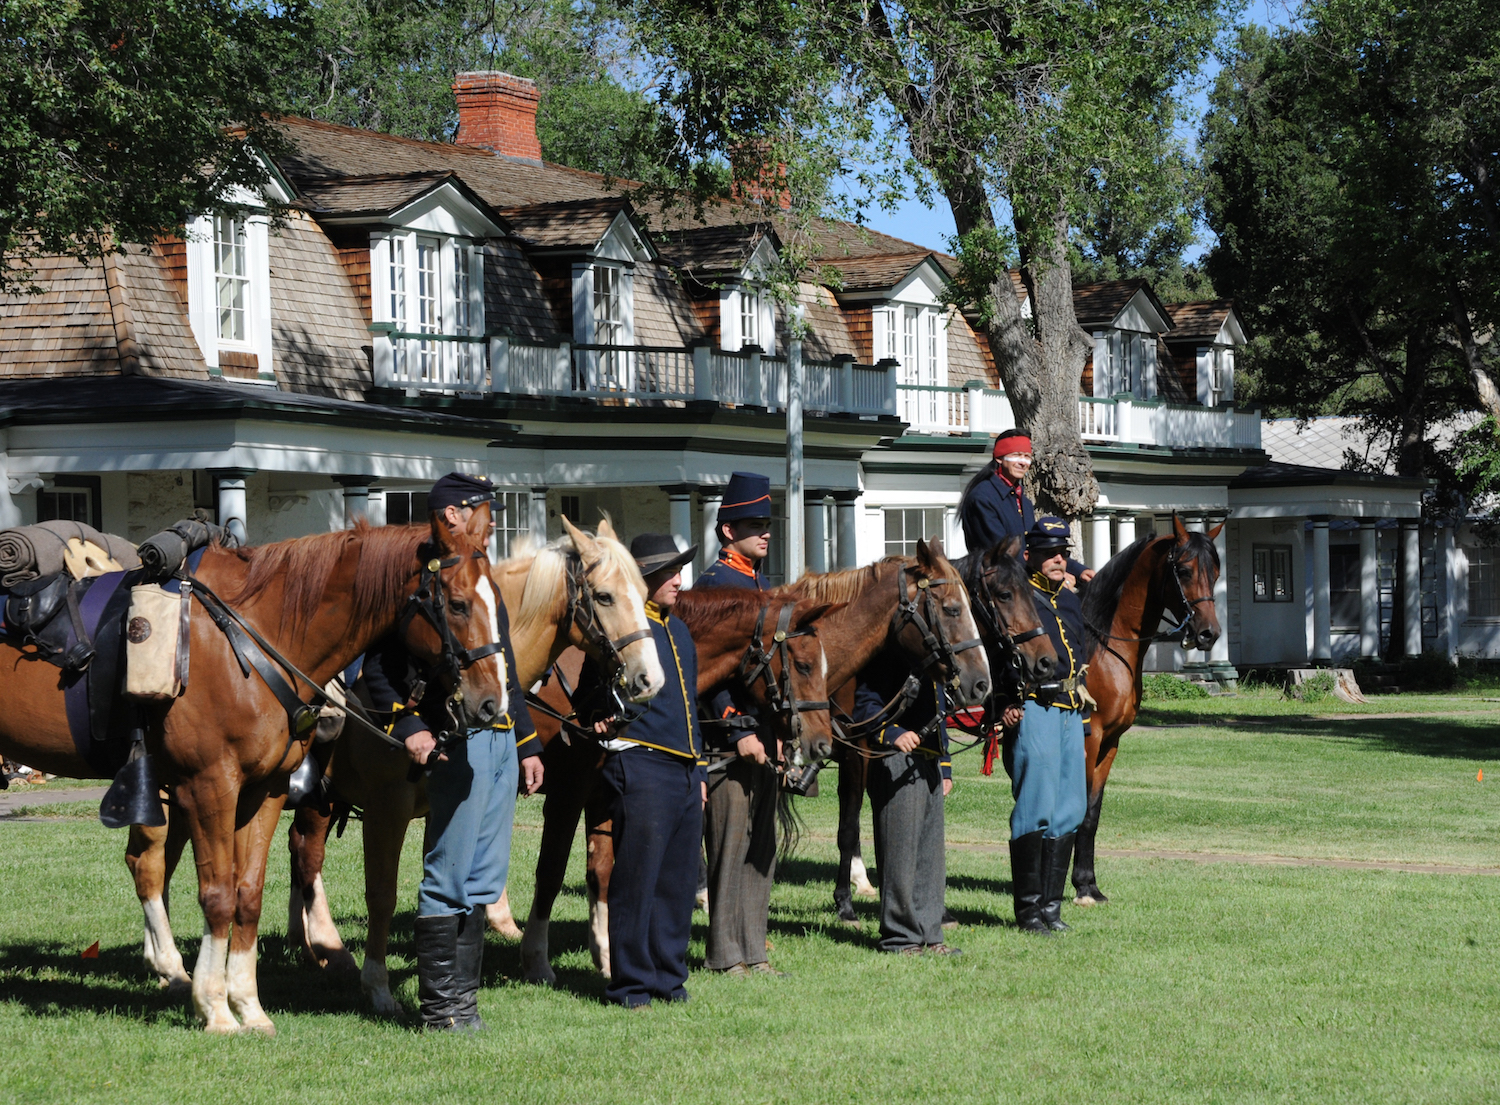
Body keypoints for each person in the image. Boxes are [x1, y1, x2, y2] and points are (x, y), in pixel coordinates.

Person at [362, 472, 544, 1030]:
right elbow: (378, 665)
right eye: (485, 518)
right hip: (456, 740)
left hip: (499, 739)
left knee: (487, 878)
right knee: (450, 873)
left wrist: (528, 740)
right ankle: (442, 1010)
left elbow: (503, 666)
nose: (490, 531)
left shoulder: (480, 579)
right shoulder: (419, 579)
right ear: (453, 518)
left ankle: (464, 1004)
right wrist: (410, 723)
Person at [577, 534, 708, 1008]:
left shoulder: (681, 631)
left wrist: (700, 772)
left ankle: (668, 979)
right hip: (640, 761)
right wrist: (604, 712)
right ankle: (631, 985)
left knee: (676, 883)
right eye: (669, 572)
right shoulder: (623, 632)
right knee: (638, 880)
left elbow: (690, 705)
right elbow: (586, 699)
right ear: (644, 581)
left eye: (679, 569)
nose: (679, 579)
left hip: (685, 770)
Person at [692, 470, 783, 976]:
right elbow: (709, 675)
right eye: (753, 523)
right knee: (729, 848)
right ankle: (725, 955)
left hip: (764, 738)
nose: (764, 532)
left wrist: (775, 735)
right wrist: (738, 729)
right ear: (728, 530)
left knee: (761, 848)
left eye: (766, 522)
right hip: (726, 743)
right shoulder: (715, 585)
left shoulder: (757, 583)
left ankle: (755, 950)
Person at [998, 516, 1090, 935]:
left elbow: (1081, 660)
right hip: (1035, 705)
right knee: (1035, 806)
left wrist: (1085, 718)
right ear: (1030, 555)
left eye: (1064, 553)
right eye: (1051, 552)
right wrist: (1002, 703)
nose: (1059, 559)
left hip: (1072, 707)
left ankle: (1051, 910)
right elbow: (996, 655)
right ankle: (1029, 913)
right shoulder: (1018, 597)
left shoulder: (1069, 601)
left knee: (1070, 808)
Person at [851, 644, 959, 956]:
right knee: (900, 856)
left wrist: (946, 764)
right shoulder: (887, 653)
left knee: (930, 857)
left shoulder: (929, 652)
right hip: (896, 759)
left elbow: (938, 710)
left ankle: (929, 933)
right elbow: (864, 702)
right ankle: (900, 937)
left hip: (929, 761)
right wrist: (891, 732)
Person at [960, 430, 1093, 585]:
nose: (1023, 462)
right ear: (999, 458)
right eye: (1016, 455)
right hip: (998, 587)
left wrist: (1078, 570)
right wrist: (1049, 577)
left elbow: (1038, 547)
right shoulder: (982, 498)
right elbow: (1002, 554)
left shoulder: (1024, 500)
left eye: (1027, 456)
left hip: (1024, 579)